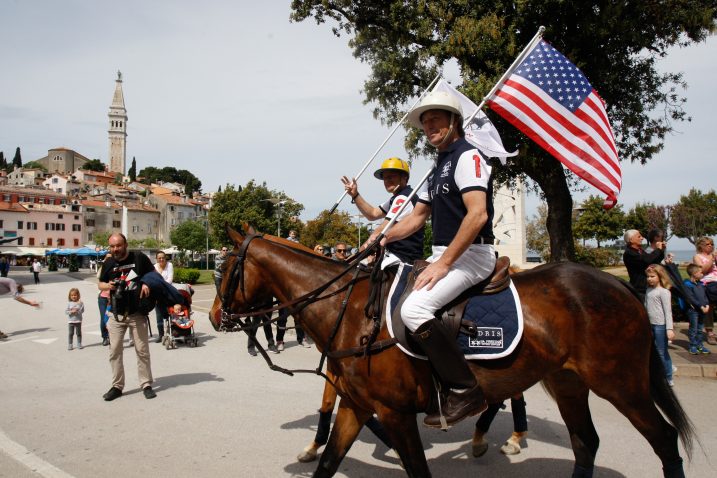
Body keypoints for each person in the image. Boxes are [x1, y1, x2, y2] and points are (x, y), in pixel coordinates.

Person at [381, 89, 496, 427]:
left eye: (436, 119)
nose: (429, 125)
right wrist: (382, 237)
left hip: (472, 255)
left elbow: (477, 216)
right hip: (442, 255)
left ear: (454, 122)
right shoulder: (437, 167)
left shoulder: (468, 157)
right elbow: (416, 219)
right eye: (425, 121)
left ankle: (465, 390)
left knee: (414, 309)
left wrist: (444, 263)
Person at [98, 233, 157, 401]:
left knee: (142, 351)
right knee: (115, 351)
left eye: (118, 245)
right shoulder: (109, 263)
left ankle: (146, 384)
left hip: (137, 313)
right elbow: (100, 283)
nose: (115, 249)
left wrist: (146, 283)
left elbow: (153, 275)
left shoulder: (138, 258)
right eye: (112, 246)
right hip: (116, 314)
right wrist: (107, 285)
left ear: (125, 244)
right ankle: (117, 386)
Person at [341, 156, 425, 270]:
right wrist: (355, 195)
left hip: (402, 258)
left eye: (391, 176)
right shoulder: (396, 198)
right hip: (391, 255)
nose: (387, 181)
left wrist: (355, 257)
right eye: (385, 178)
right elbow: (373, 214)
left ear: (404, 177)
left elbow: (381, 230)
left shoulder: (404, 198)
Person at [644, 264, 675, 385]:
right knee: (654, 351)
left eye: (652, 276)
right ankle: (659, 374)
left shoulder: (664, 292)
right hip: (650, 325)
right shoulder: (648, 290)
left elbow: (668, 311)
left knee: (661, 352)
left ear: (660, 276)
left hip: (661, 326)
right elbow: (646, 308)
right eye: (648, 276)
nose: (649, 279)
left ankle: (667, 376)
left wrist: (669, 329)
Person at [622, 229, 665, 302]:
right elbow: (647, 260)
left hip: (647, 286)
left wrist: (661, 250)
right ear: (631, 240)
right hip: (640, 289)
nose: (642, 238)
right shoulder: (629, 253)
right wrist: (658, 249)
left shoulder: (640, 250)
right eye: (639, 237)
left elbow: (653, 261)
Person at [691, 236, 717, 345]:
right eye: (707, 244)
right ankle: (709, 332)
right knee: (709, 308)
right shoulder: (697, 257)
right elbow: (702, 271)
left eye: (711, 244)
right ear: (701, 246)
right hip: (708, 284)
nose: (710, 246)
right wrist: (711, 258)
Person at [683, 263, 712, 355]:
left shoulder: (701, 284)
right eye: (700, 272)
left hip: (702, 310)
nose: (702, 274)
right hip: (693, 311)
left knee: (700, 329)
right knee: (693, 329)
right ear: (694, 273)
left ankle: (700, 345)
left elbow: (704, 296)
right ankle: (693, 345)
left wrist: (707, 305)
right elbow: (691, 298)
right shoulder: (688, 285)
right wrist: (700, 306)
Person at [153, 251, 174, 343]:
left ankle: (172, 331)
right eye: (159, 258)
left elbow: (170, 279)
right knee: (158, 314)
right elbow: (153, 280)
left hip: (168, 291)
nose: (161, 259)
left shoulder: (169, 265)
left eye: (163, 258)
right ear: (156, 259)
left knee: (169, 313)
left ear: (165, 258)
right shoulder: (154, 267)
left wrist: (161, 285)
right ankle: (161, 334)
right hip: (158, 293)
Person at [97, 253, 113, 346]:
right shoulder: (102, 269)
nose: (109, 260)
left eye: (111, 258)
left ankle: (112, 337)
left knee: (113, 319)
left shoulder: (117, 268)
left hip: (113, 298)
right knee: (104, 318)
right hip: (103, 297)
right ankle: (104, 337)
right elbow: (99, 282)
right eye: (107, 258)